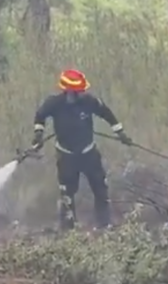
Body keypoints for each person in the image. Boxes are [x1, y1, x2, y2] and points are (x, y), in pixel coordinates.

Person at [30, 69, 133, 230]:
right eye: (78, 91)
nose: (81, 94)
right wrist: (38, 134)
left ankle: (104, 225)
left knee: (100, 188)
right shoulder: (54, 103)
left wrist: (120, 133)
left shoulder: (89, 102)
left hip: (88, 154)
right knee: (67, 194)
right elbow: (40, 116)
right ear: (68, 90)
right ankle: (68, 229)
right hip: (66, 156)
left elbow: (106, 114)